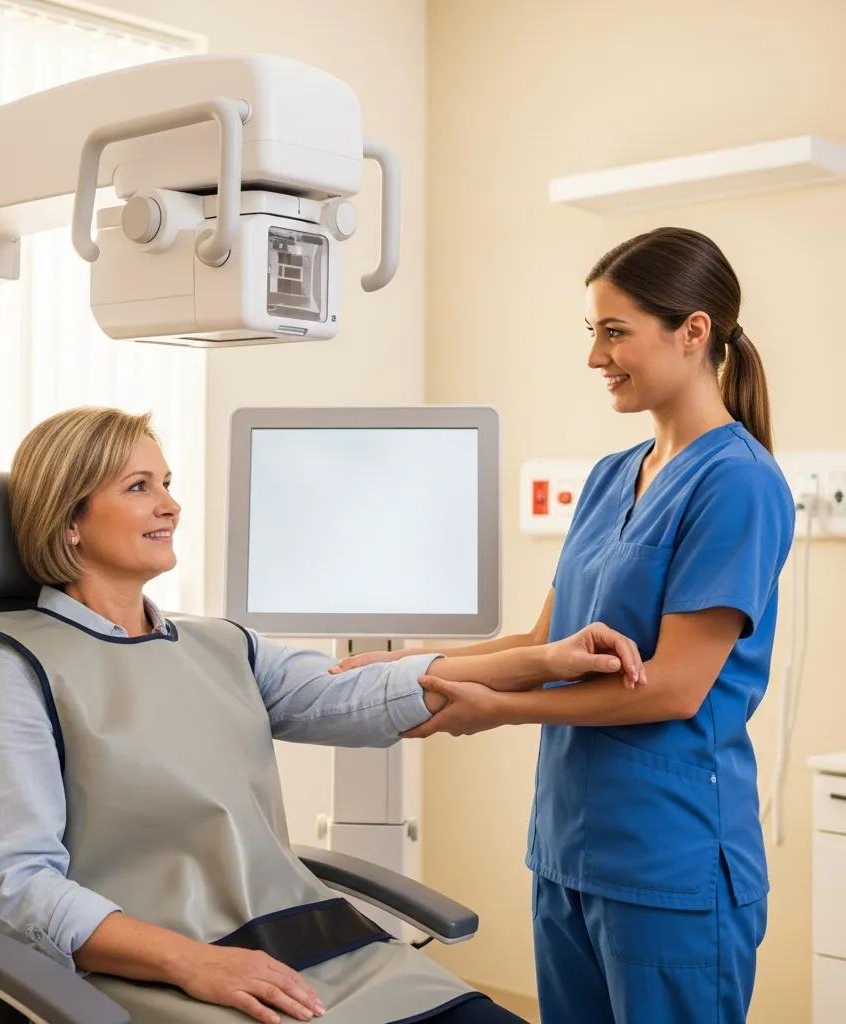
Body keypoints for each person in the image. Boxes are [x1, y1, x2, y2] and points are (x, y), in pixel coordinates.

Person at [0, 406, 645, 1024]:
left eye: (167, 483)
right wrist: (193, 962)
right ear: (69, 520)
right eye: (139, 487)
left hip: (320, 955)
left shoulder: (222, 645)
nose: (171, 506)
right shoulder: (13, 673)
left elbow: (358, 693)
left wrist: (543, 660)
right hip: (168, 978)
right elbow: (19, 890)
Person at [333, 228, 796, 1024]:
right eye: (593, 332)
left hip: (669, 859)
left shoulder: (739, 484)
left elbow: (675, 689)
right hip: (569, 848)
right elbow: (541, 644)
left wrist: (497, 710)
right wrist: (412, 664)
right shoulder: (614, 475)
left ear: (693, 332)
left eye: (615, 332)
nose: (595, 357)